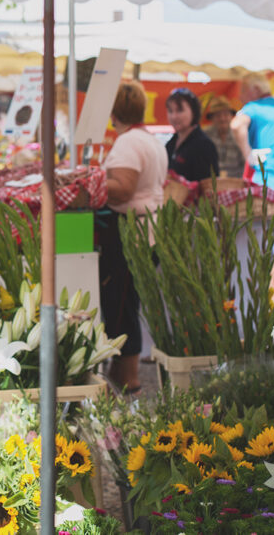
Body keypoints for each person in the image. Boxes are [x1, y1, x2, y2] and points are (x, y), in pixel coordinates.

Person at [98, 81, 168, 392]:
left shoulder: (128, 143)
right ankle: (125, 370)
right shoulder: (150, 140)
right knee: (127, 301)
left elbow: (124, 187)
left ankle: (128, 375)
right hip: (148, 230)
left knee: (121, 301)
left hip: (130, 231)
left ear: (114, 112)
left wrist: (94, 179)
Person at [231, 73, 274, 192]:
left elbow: (236, 124)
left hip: (264, 177)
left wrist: (248, 155)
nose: (240, 97)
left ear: (256, 89)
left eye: (244, 91)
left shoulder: (254, 107)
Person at [164, 88, 219, 184]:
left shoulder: (204, 145)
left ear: (194, 111)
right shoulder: (171, 143)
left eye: (180, 110)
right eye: (170, 111)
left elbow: (209, 187)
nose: (174, 116)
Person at [202, 95, 244, 178]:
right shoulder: (204, 135)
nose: (222, 118)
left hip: (235, 181)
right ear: (212, 118)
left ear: (231, 116)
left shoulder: (239, 134)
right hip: (210, 181)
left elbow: (244, 164)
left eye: (225, 114)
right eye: (218, 116)